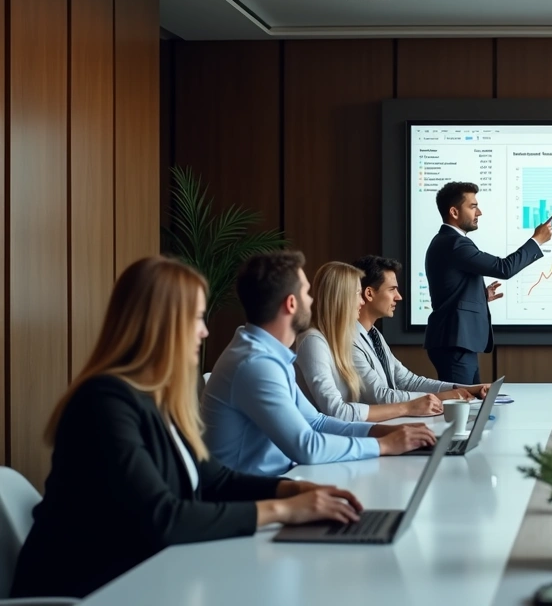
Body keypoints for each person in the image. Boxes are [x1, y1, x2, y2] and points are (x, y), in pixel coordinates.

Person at [11, 257, 363, 599]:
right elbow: (164, 517)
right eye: (196, 317)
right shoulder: (104, 402)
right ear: (161, 324)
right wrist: (286, 511)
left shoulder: (156, 398)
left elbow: (216, 480)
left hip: (147, 574)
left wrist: (292, 491)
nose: (205, 331)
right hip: (96, 588)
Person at [202, 251, 436, 476]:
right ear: (291, 304)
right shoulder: (255, 364)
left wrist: (381, 431)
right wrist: (383, 445)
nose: (312, 299)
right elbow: (307, 446)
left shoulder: (267, 354)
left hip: (282, 479)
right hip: (251, 496)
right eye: (306, 292)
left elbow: (316, 420)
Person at [424, 181, 552, 383]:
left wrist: (479, 296)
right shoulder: (455, 243)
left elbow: (450, 291)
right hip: (455, 343)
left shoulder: (446, 241)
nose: (479, 212)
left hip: (458, 342)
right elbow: (504, 268)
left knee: (471, 407)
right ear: (454, 212)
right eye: (473, 206)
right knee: (462, 409)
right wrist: (536, 240)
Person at [350, 255, 488, 410]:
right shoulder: (349, 340)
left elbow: (409, 381)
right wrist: (443, 397)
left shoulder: (374, 335)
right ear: (369, 294)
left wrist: (465, 388)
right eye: (392, 289)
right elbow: (380, 396)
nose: (399, 296)